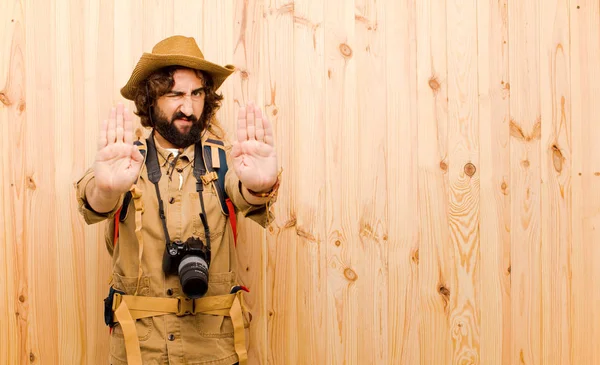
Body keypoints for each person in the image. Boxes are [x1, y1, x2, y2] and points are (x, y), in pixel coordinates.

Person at [74, 35, 280, 365]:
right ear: (151, 98)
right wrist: (108, 189)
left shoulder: (227, 161)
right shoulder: (122, 162)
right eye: (175, 94)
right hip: (138, 352)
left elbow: (246, 195)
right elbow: (95, 200)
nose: (189, 107)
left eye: (197, 94)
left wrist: (259, 185)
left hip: (213, 352)